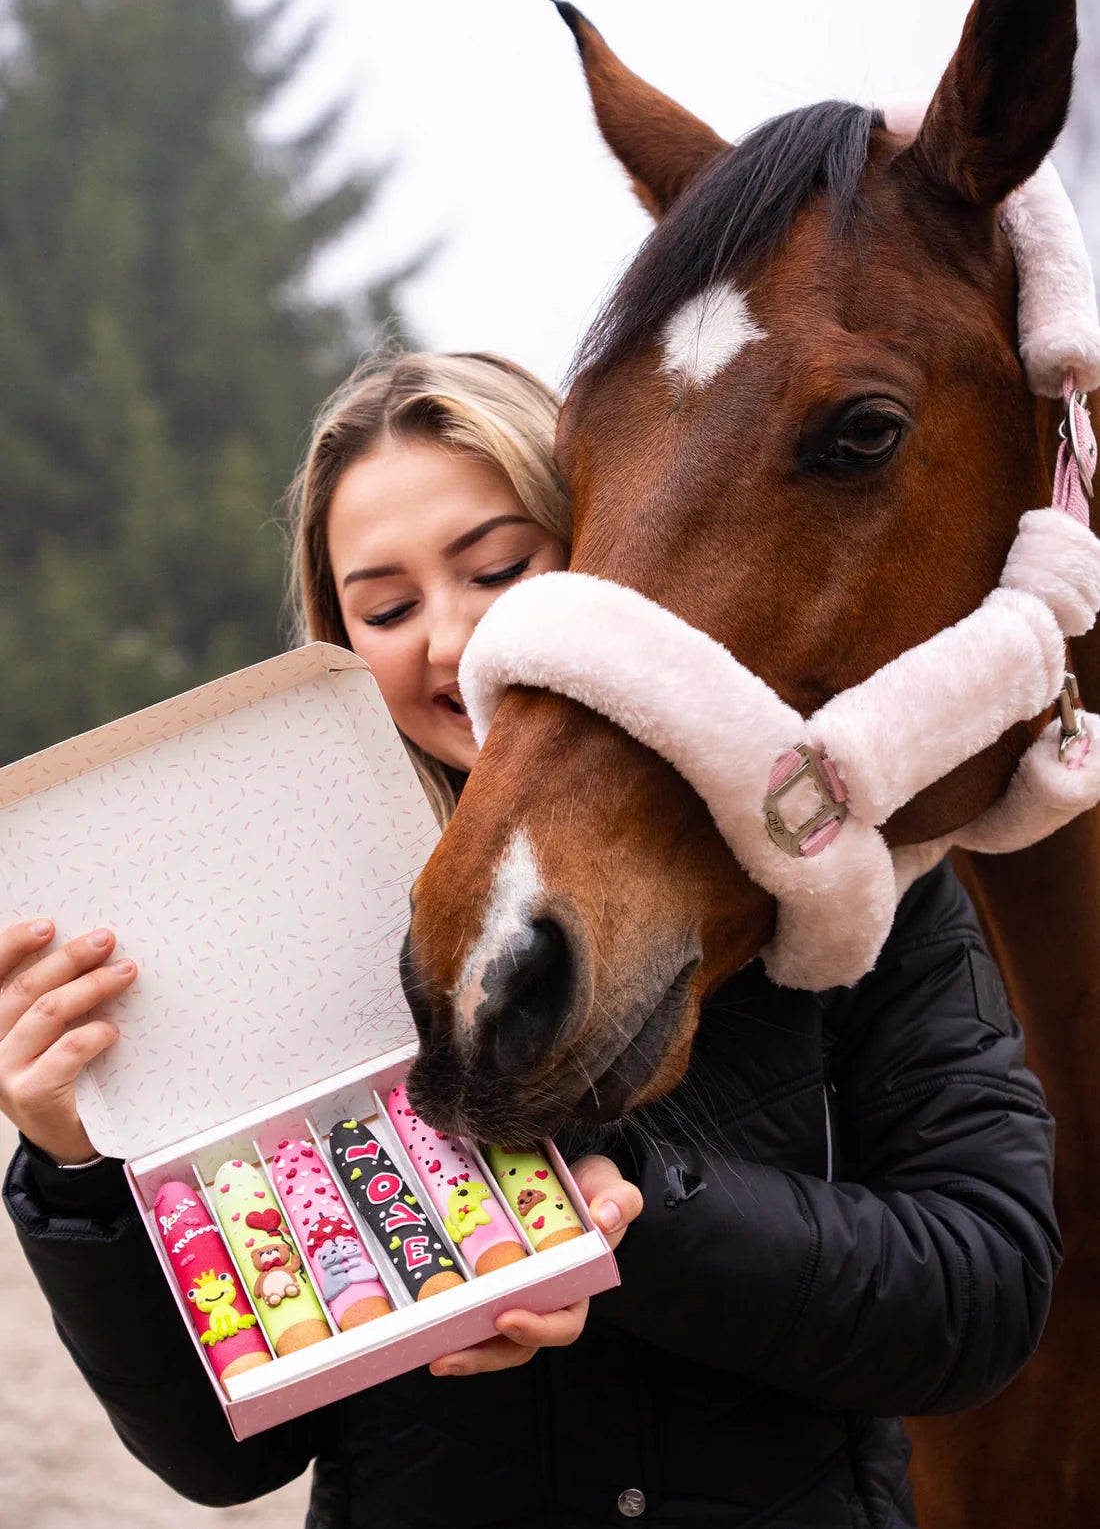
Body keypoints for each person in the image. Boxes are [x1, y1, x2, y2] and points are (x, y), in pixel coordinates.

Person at [2, 351, 1060, 1528]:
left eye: (499, 569)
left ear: (608, 555)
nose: (450, 643)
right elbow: (225, 1457)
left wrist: (627, 1222)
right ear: (336, 642)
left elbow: (981, 1293)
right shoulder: (276, 917)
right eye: (387, 608)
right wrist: (75, 1167)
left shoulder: (841, 875)